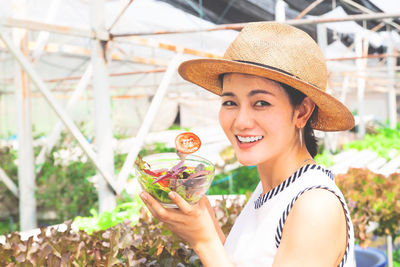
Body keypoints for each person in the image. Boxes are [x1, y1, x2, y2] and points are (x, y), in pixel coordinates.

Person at [139, 22, 355, 267]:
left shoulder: (315, 206)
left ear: (302, 112)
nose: (240, 121)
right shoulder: (270, 190)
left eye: (261, 103)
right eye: (230, 102)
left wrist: (204, 240)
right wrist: (205, 222)